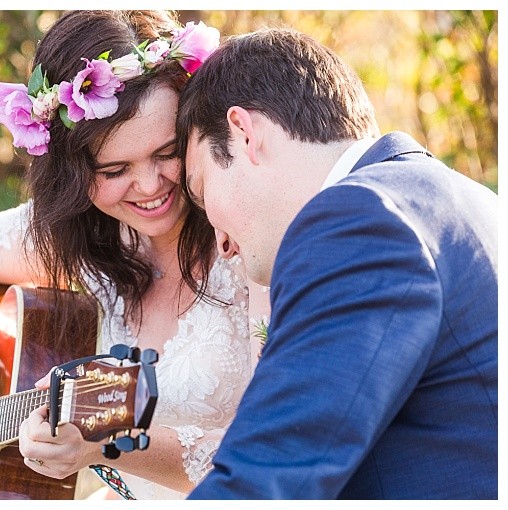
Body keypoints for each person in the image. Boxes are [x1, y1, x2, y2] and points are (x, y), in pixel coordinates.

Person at [0, 11, 266, 499]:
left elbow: (267, 455)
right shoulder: (88, 236)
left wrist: (103, 447)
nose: (151, 186)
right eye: (115, 169)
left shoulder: (253, 248)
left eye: (168, 152)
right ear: (73, 175)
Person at [177, 28, 497, 499]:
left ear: (244, 133)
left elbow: (264, 483)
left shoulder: (358, 220)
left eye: (203, 192)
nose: (220, 243)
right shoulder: (454, 198)